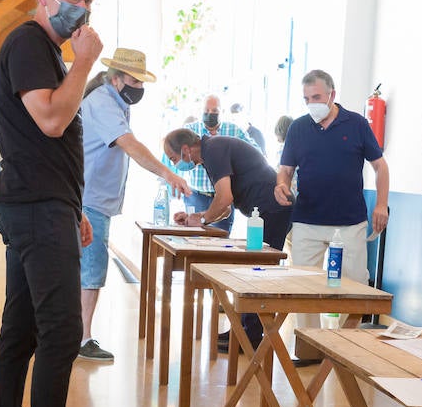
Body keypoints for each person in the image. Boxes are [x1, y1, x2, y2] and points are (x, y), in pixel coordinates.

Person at [0, 0, 112, 407]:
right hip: (37, 211)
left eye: (89, 0)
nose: (81, 8)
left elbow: (49, 143)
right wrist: (84, 64)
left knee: (21, 332)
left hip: (45, 206)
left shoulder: (46, 56)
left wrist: (73, 205)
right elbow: (53, 121)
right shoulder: (30, 46)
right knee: (61, 332)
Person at [78, 48, 191, 363]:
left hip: (96, 199)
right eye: (133, 81)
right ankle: (81, 337)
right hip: (89, 201)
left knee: (87, 266)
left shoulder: (117, 102)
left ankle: (75, 332)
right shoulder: (102, 102)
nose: (138, 88)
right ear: (116, 79)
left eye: (142, 83)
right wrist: (168, 173)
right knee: (91, 268)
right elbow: (129, 145)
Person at [274, 70, 389, 364]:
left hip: (349, 221)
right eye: (306, 98)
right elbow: (285, 171)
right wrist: (281, 186)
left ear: (332, 95)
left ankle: (344, 347)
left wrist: (381, 205)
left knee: (355, 287)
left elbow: (380, 167)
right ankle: (310, 350)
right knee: (303, 287)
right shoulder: (298, 129)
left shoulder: (358, 124)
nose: (312, 103)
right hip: (307, 220)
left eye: (316, 97)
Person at [162, 129, 293, 351]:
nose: (176, 165)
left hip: (272, 209)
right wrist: (195, 218)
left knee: (258, 272)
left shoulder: (214, 149)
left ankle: (249, 336)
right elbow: (224, 207)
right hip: (263, 212)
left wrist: (202, 217)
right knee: (254, 270)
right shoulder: (210, 153)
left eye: (174, 159)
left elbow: (225, 199)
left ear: (185, 149)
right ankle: (243, 331)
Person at [173, 94, 259, 232]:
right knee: (191, 239)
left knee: (219, 243)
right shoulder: (190, 130)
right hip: (197, 195)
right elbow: (179, 157)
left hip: (223, 197)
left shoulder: (234, 130)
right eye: (206, 111)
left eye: (214, 111)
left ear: (222, 112)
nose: (210, 114)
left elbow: (256, 153)